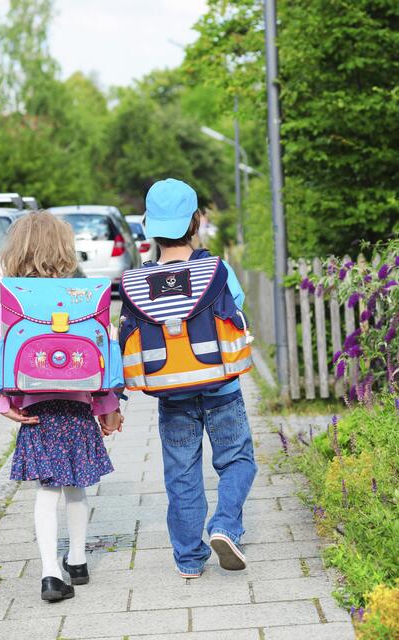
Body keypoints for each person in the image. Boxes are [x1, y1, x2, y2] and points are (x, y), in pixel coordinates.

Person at [0, 211, 123, 601]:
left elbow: (0, 351)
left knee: (46, 494)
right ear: (65, 248)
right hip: (78, 408)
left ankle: (50, 574)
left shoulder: (13, 298)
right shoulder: (85, 294)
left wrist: (3, 403)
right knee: (77, 489)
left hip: (36, 411)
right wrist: (109, 407)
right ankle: (77, 562)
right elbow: (103, 353)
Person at [143, 178, 257, 578]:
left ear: (148, 225)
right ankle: (225, 525)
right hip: (221, 385)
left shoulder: (141, 281)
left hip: (171, 391)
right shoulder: (217, 270)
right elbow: (237, 308)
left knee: (182, 473)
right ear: (195, 222)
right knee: (237, 460)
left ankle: (189, 558)